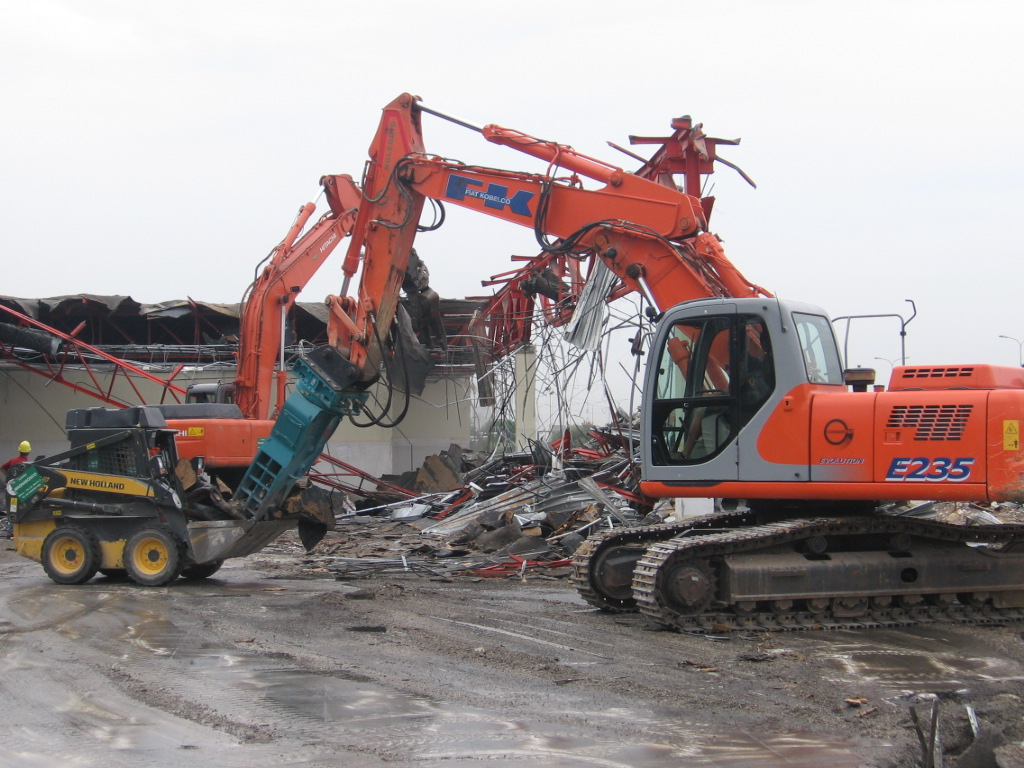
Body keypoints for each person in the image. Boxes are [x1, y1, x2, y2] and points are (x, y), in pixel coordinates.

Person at [1, 440, 31, 538]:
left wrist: (8, 476)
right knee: (19, 510)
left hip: (11, 489)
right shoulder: (26, 463)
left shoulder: (13, 460)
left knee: (12, 509)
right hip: (20, 490)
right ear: (28, 452)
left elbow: (2, 467)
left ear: (19, 450)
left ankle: (10, 532)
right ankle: (14, 531)